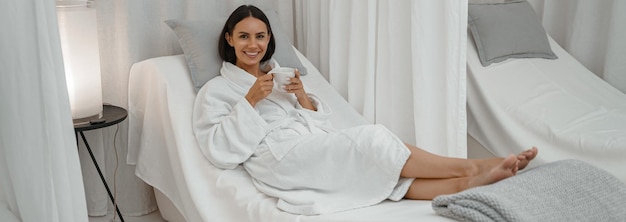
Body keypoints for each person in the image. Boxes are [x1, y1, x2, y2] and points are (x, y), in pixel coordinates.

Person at [192, 5, 538, 216]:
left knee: (385, 176)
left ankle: (470, 183)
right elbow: (219, 149)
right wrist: (250, 100)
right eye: (244, 37)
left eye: (261, 36)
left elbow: (314, 123)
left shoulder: (277, 78)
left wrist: (304, 99)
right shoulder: (216, 90)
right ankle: (476, 164)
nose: (253, 45)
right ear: (229, 39)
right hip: (278, 161)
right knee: (375, 140)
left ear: (269, 40)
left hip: (306, 147)